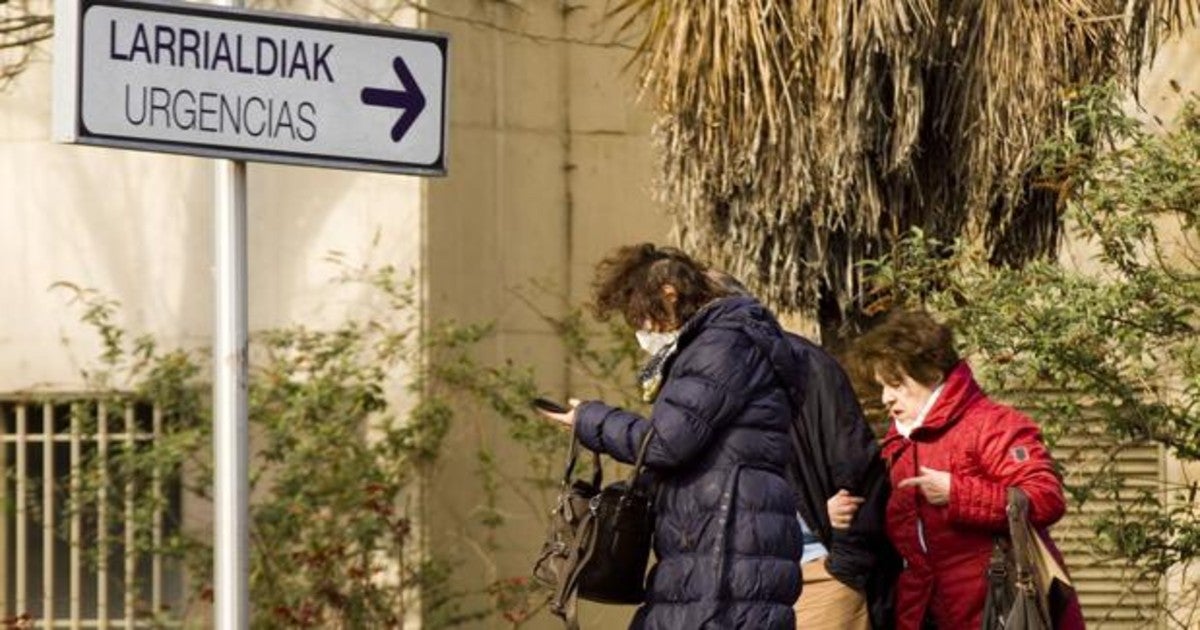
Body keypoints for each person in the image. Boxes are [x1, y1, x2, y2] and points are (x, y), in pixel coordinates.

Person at [539, 244, 802, 629]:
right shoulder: (719, 341)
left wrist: (591, 420)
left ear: (668, 294)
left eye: (642, 315)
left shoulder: (722, 343)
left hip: (726, 542)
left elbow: (666, 443)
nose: (641, 329)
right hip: (716, 535)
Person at [841, 310, 1084, 629]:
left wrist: (959, 493)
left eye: (896, 384)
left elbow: (1045, 498)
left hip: (998, 610)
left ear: (931, 373)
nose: (886, 398)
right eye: (882, 387)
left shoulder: (993, 425)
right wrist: (845, 512)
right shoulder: (897, 445)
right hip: (925, 614)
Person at [705, 271, 899, 630]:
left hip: (816, 575)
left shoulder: (803, 365)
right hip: (739, 587)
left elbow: (856, 465)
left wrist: (844, 566)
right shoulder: (701, 389)